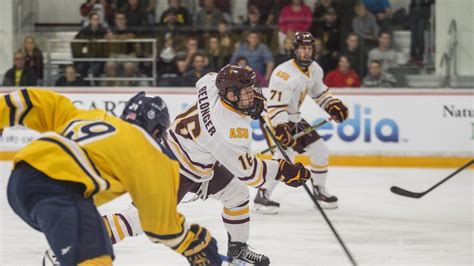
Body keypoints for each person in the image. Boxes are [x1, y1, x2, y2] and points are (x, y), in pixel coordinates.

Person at [74, 64, 312, 265]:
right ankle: (77, 243)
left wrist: (247, 103)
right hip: (170, 168)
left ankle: (238, 250)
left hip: (194, 160)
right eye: (247, 91)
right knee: (137, 221)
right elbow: (250, 173)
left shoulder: (211, 87)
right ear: (230, 94)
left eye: (251, 89)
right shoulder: (229, 132)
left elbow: (206, 78)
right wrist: (283, 170)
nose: (253, 94)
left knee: (236, 194)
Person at [1, 89, 222, 265]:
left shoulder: (91, 116)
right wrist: (191, 242)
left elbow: (35, 101)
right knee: (95, 260)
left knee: (96, 242)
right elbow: (159, 226)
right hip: (57, 192)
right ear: (158, 130)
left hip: (19, 182)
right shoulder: (153, 154)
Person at [253, 32, 349, 214]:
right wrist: (281, 129)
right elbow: (275, 107)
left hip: (294, 118)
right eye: (302, 48)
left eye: (309, 48)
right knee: (284, 159)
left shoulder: (315, 69)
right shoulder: (283, 74)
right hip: (274, 119)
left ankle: (319, 192)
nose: (306, 52)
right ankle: (262, 195)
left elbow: (319, 94)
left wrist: (332, 106)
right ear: (295, 50)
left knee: (320, 151)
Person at [409, 0, 434, 65]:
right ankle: (413, 56)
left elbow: (433, 1)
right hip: (413, 14)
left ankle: (420, 57)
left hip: (423, 15)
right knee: (413, 36)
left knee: (420, 35)